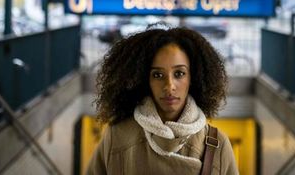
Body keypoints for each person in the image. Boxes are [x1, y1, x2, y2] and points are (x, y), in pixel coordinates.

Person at [86, 26, 239, 175]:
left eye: (179, 73)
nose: (169, 85)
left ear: (193, 78)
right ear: (145, 80)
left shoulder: (218, 145)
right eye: (158, 75)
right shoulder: (116, 137)